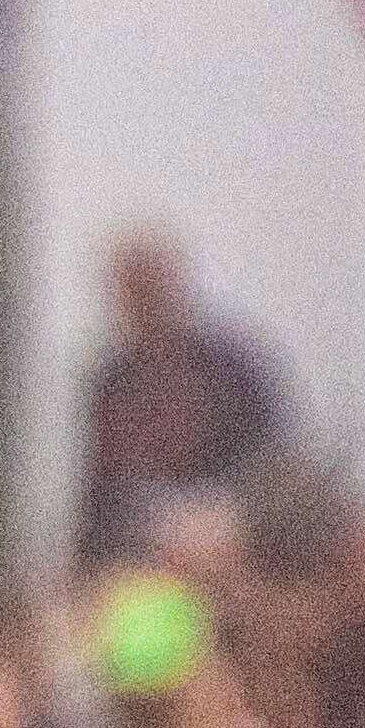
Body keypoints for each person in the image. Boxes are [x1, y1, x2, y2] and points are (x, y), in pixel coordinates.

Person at [77, 230, 285, 570]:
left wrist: (219, 521)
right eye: (131, 291)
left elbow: (268, 466)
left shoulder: (233, 373)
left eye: (151, 288)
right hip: (138, 555)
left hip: (226, 542)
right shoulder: (113, 382)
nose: (142, 303)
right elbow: (100, 490)